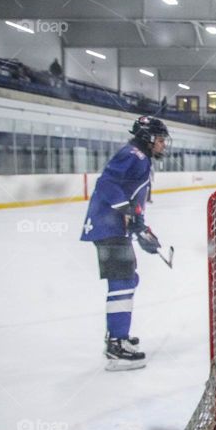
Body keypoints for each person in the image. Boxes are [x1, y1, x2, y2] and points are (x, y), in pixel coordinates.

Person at [80, 116, 169, 371]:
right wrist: (129, 213)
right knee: (122, 281)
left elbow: (131, 197)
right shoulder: (133, 155)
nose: (163, 145)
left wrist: (141, 227)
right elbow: (106, 184)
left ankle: (117, 335)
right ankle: (116, 345)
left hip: (114, 226)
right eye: (160, 140)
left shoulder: (140, 157)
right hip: (107, 226)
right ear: (148, 138)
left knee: (129, 279)